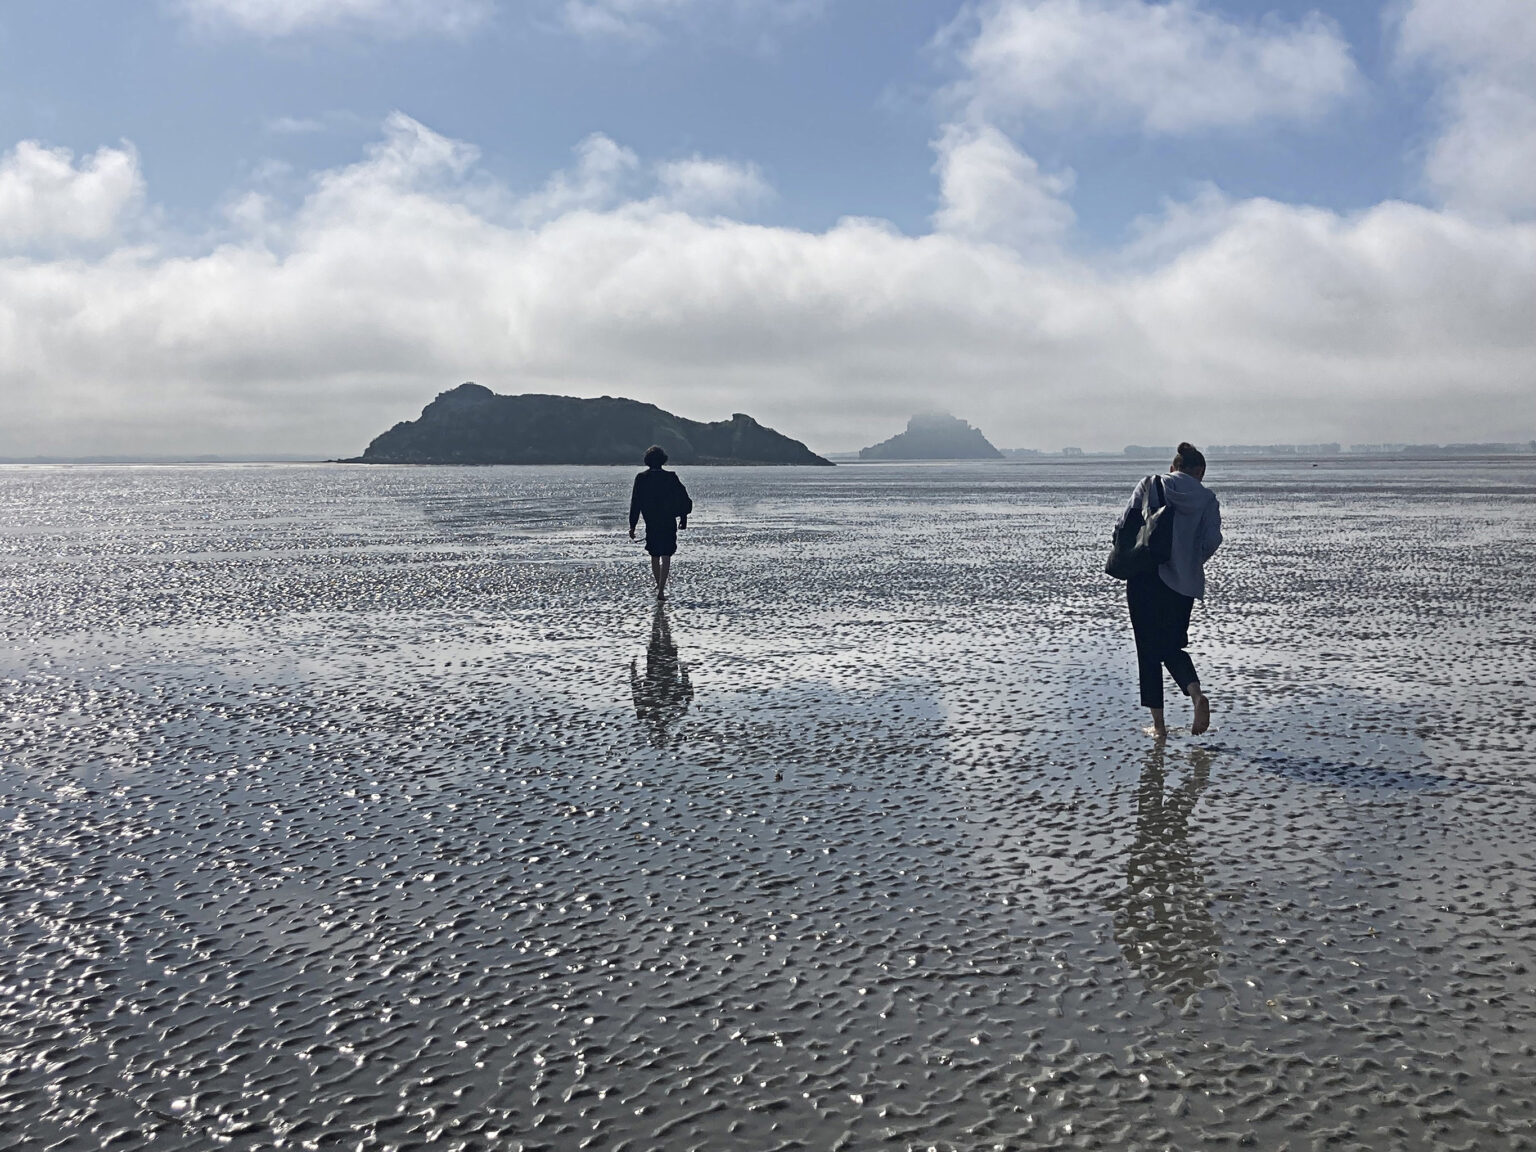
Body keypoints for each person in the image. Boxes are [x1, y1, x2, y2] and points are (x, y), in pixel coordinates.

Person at [1119, 442, 1222, 737]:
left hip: (1146, 577)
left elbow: (1124, 524)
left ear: (1173, 468)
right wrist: (1190, 560)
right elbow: (1212, 540)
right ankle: (1196, 694)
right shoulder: (1208, 498)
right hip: (1183, 583)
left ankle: (1160, 726)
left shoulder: (1151, 484)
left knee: (1147, 650)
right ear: (1199, 471)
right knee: (1171, 646)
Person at [628, 445, 693, 598]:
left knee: (655, 554)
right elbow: (684, 499)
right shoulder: (671, 477)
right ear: (663, 460)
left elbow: (635, 503)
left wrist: (632, 526)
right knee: (667, 555)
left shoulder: (641, 478)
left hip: (652, 522)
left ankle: (659, 586)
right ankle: (662, 589)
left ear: (647, 461)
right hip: (668, 521)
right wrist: (683, 518)